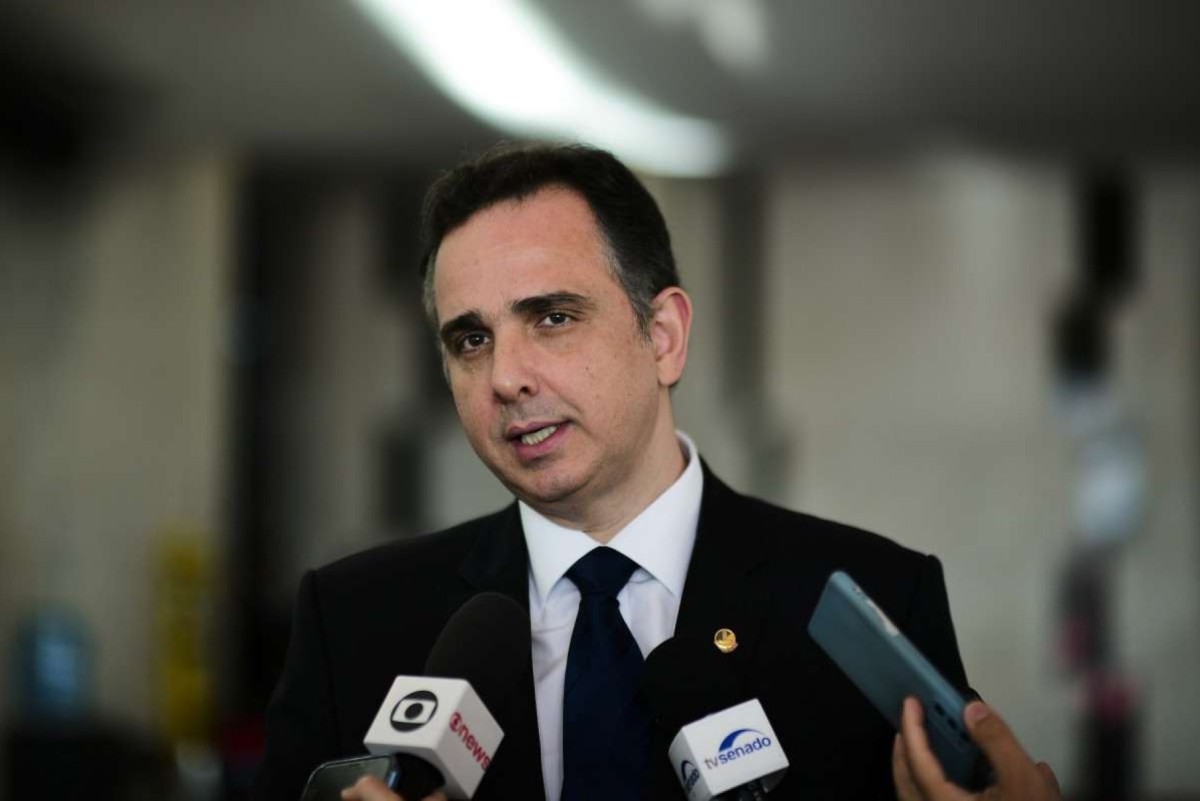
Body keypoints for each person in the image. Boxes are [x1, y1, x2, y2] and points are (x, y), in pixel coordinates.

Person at [254, 142, 1027, 800]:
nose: (506, 377)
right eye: (470, 340)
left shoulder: (869, 605)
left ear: (663, 337)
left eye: (553, 317)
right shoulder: (352, 623)